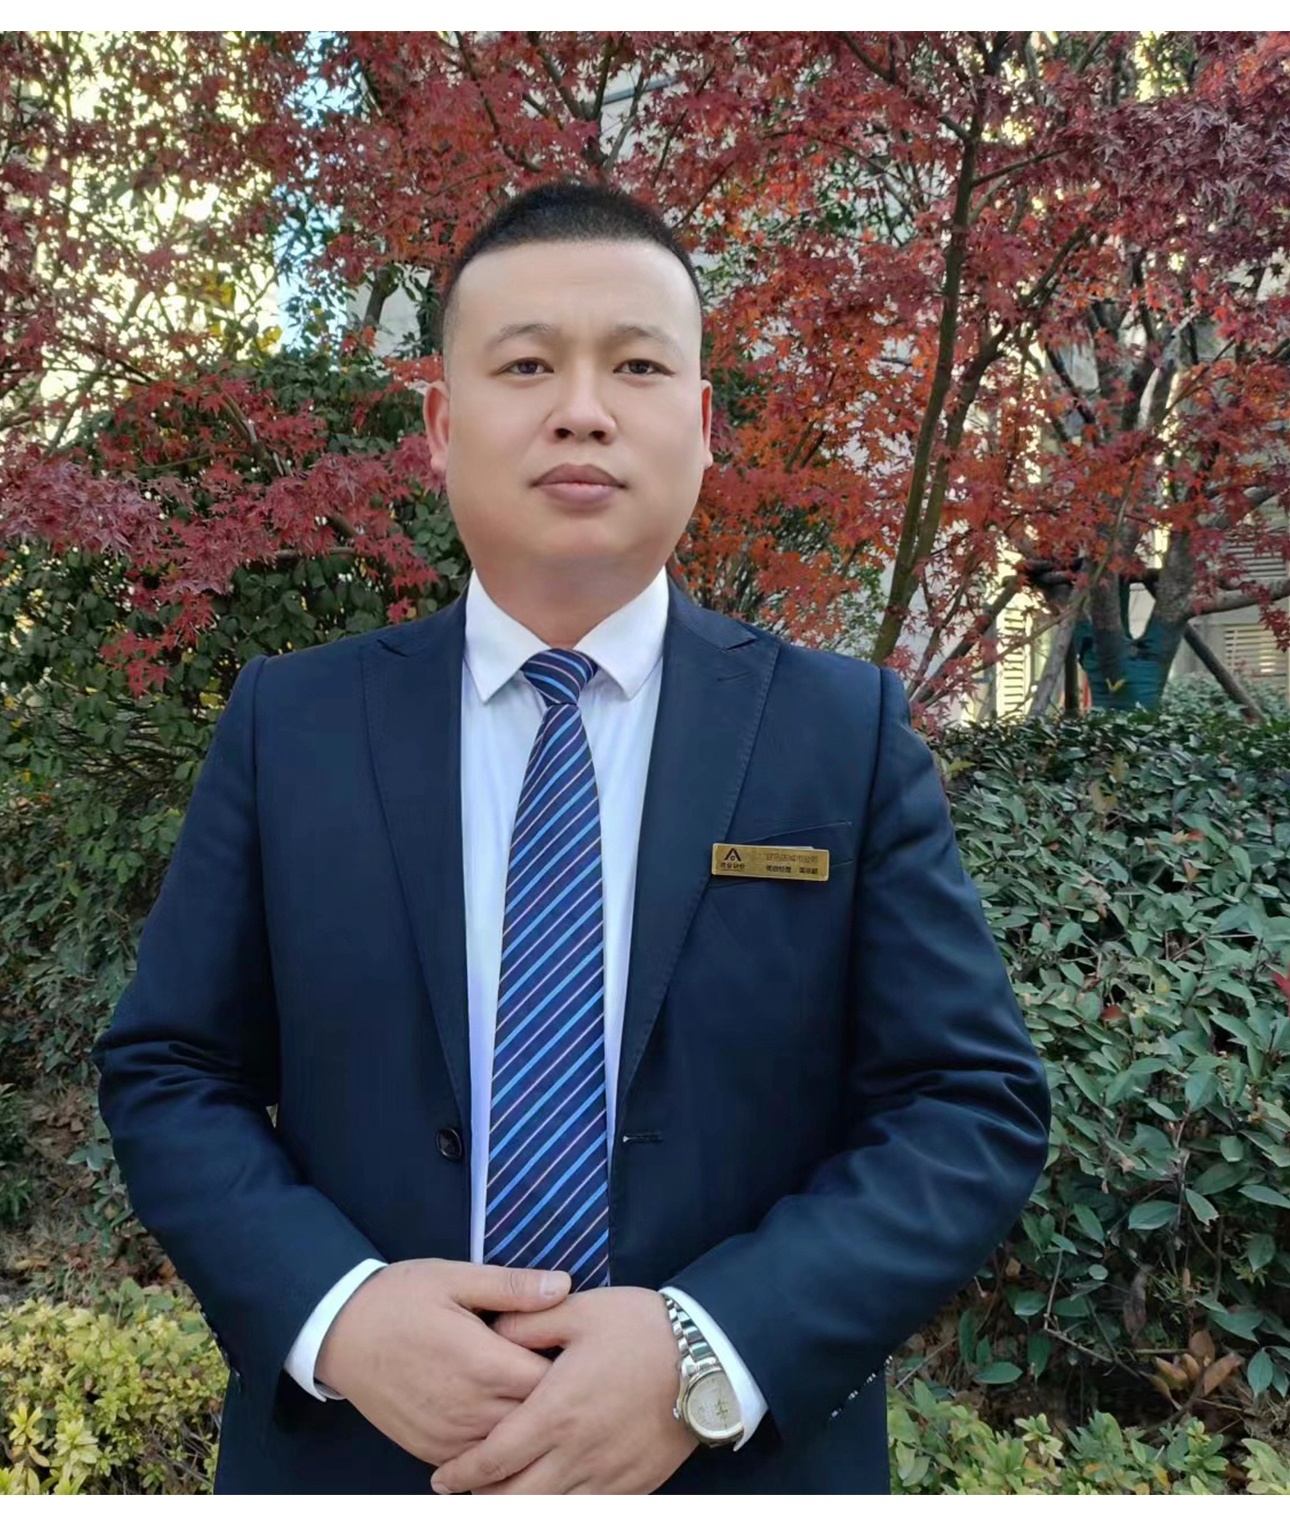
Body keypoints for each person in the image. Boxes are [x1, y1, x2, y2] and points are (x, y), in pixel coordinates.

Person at [96, 182, 1050, 1494]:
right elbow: (170, 1068)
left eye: (638, 366)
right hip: (361, 1466)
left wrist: (708, 1350)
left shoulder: (840, 732)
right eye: (527, 364)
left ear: (702, 427)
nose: (583, 408)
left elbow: (967, 1104)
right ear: (442, 426)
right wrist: (338, 1311)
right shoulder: (292, 726)